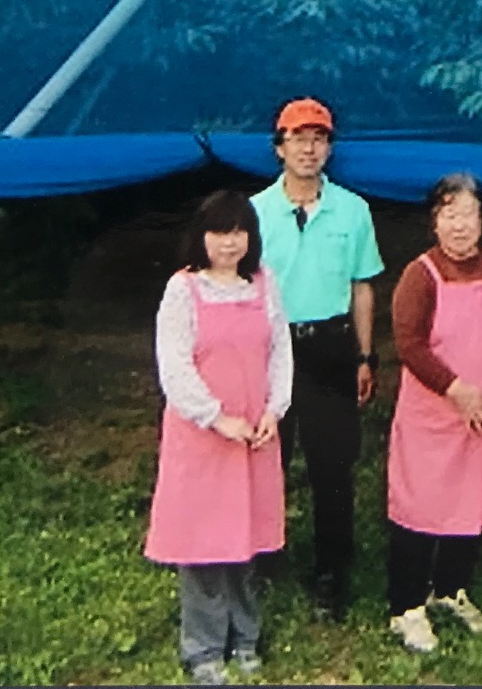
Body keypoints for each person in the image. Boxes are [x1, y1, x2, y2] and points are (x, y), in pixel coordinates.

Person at [384, 172, 482, 653]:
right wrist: (456, 390)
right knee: (420, 509)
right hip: (437, 417)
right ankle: (405, 607)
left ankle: (450, 589)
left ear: (481, 220)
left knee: (475, 502)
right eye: (448, 214)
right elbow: (408, 344)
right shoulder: (419, 275)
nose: (458, 226)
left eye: (467, 214)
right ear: (434, 221)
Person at [145, 190, 292, 686]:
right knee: (203, 544)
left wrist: (275, 409)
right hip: (204, 438)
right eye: (219, 233)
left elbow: (280, 352)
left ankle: (245, 637)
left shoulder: (264, 284)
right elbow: (175, 366)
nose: (229, 244)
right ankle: (203, 648)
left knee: (247, 540)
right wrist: (215, 416)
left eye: (237, 232)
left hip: (254, 434)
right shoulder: (183, 290)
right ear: (201, 237)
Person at [249, 97, 384, 622]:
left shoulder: (352, 209)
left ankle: (333, 571)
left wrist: (365, 355)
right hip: (270, 346)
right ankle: (261, 557)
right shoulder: (255, 212)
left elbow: (362, 286)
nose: (308, 148)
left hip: (330, 345)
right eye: (297, 137)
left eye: (319, 138)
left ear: (330, 147)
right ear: (279, 146)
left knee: (333, 465)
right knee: (266, 459)